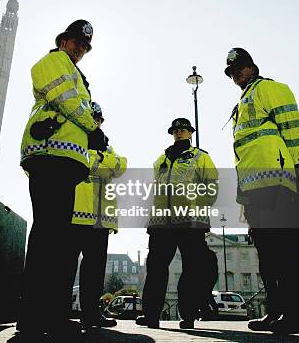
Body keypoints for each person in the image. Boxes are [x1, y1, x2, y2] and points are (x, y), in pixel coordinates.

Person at [17, 20, 108, 337]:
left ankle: (50, 311)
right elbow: (67, 100)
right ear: (63, 41)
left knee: (55, 239)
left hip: (65, 160)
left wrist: (91, 133)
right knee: (47, 237)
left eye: (85, 46)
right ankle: (32, 313)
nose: (80, 49)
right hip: (49, 154)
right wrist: (93, 128)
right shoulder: (54, 61)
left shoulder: (76, 74)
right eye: (76, 43)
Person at [225, 47, 299, 335]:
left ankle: (296, 314)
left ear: (253, 68)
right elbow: (242, 154)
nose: (235, 74)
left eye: (240, 68)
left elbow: (292, 126)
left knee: (285, 250)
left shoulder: (270, 89)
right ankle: (275, 312)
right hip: (254, 188)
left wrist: (296, 166)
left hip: (277, 182)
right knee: (268, 255)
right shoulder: (243, 101)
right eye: (232, 72)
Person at [136, 118, 219, 330]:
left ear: (191, 133)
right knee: (155, 268)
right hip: (161, 222)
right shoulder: (160, 159)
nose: (179, 133)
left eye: (183, 130)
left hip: (190, 221)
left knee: (191, 269)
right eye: (175, 130)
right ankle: (151, 315)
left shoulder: (201, 157)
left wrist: (198, 207)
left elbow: (212, 187)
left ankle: (189, 315)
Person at [69, 102, 127, 330]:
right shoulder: (73, 139)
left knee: (94, 270)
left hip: (101, 218)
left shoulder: (107, 146)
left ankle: (91, 314)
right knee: (65, 267)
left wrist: (99, 159)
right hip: (74, 213)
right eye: (91, 117)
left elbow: (122, 165)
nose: (94, 122)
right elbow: (84, 161)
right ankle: (59, 312)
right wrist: (102, 161)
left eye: (97, 118)